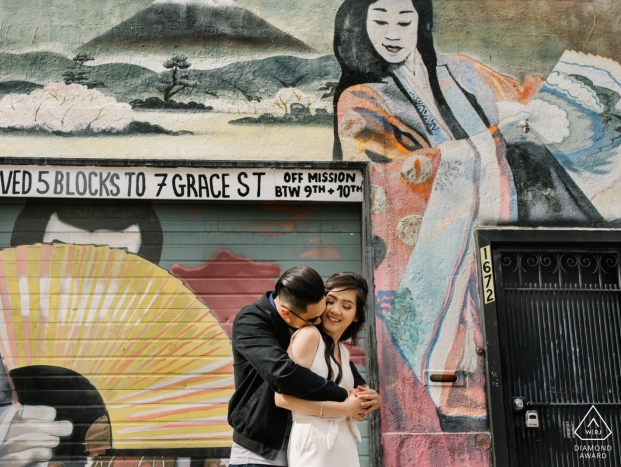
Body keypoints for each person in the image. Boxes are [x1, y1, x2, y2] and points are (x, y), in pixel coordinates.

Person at [332, 0, 603, 426]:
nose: (393, 31)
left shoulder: (462, 72)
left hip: (505, 233)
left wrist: (557, 106)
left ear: (422, 22)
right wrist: (495, 140)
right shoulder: (361, 99)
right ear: (358, 26)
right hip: (439, 251)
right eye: (380, 20)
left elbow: (525, 99)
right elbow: (387, 175)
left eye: (405, 19)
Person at [227, 266, 380, 467]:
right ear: (287, 313)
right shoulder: (253, 322)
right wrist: (344, 399)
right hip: (259, 449)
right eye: (330, 302)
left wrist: (367, 395)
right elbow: (283, 374)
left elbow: (339, 371)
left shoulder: (325, 340)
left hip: (299, 446)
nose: (318, 321)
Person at [274, 272, 377, 467]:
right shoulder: (308, 335)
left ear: (356, 316)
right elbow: (281, 398)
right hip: (313, 441)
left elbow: (350, 397)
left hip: (343, 442)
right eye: (330, 301)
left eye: (346, 306)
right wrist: (344, 408)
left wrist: (370, 399)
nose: (336, 310)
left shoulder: (343, 352)